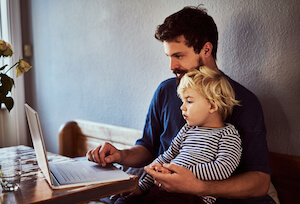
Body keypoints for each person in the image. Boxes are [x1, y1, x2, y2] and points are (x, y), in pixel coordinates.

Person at [87, 5, 275, 203]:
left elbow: (260, 182)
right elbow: (148, 149)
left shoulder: (241, 101)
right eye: (169, 57)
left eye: (178, 56)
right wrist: (120, 155)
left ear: (206, 49)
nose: (172, 67)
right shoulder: (166, 91)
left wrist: (199, 185)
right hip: (158, 190)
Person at [131, 67, 242, 204]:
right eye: (183, 101)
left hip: (192, 196)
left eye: (189, 101)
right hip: (162, 188)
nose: (182, 107)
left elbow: (223, 168)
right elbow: (168, 155)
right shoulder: (187, 129)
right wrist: (143, 185)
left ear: (213, 106)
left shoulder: (228, 134)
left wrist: (178, 172)